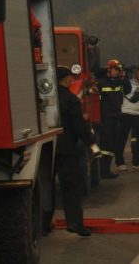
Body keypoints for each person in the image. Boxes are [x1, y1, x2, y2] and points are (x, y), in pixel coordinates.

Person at [54, 66, 95, 236]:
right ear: (65, 79)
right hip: (66, 148)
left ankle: (44, 223)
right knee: (71, 187)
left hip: (46, 148)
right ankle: (74, 223)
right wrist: (91, 144)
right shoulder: (71, 99)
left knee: (46, 186)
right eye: (70, 77)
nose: (72, 80)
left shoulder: (47, 97)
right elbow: (79, 126)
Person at [96, 58, 125, 179]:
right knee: (106, 144)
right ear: (109, 69)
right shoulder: (101, 83)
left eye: (119, 70)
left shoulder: (118, 82)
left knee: (112, 144)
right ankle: (103, 170)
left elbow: (127, 89)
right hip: (106, 118)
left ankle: (106, 169)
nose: (117, 72)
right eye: (116, 70)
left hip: (116, 116)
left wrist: (123, 78)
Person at [119, 64, 139, 170]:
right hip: (125, 113)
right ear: (136, 72)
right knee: (121, 139)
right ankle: (120, 163)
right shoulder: (126, 83)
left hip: (137, 115)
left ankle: (137, 162)